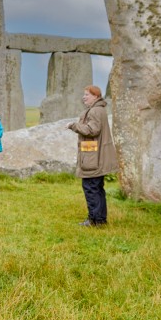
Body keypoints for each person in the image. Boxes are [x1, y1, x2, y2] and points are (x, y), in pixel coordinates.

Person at [67, 85, 118, 227]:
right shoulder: (99, 110)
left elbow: (92, 130)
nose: (84, 97)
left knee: (91, 188)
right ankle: (100, 220)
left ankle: (94, 220)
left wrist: (74, 125)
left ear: (96, 96)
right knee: (97, 188)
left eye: (87, 95)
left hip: (93, 158)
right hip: (96, 156)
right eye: (84, 95)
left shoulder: (95, 111)